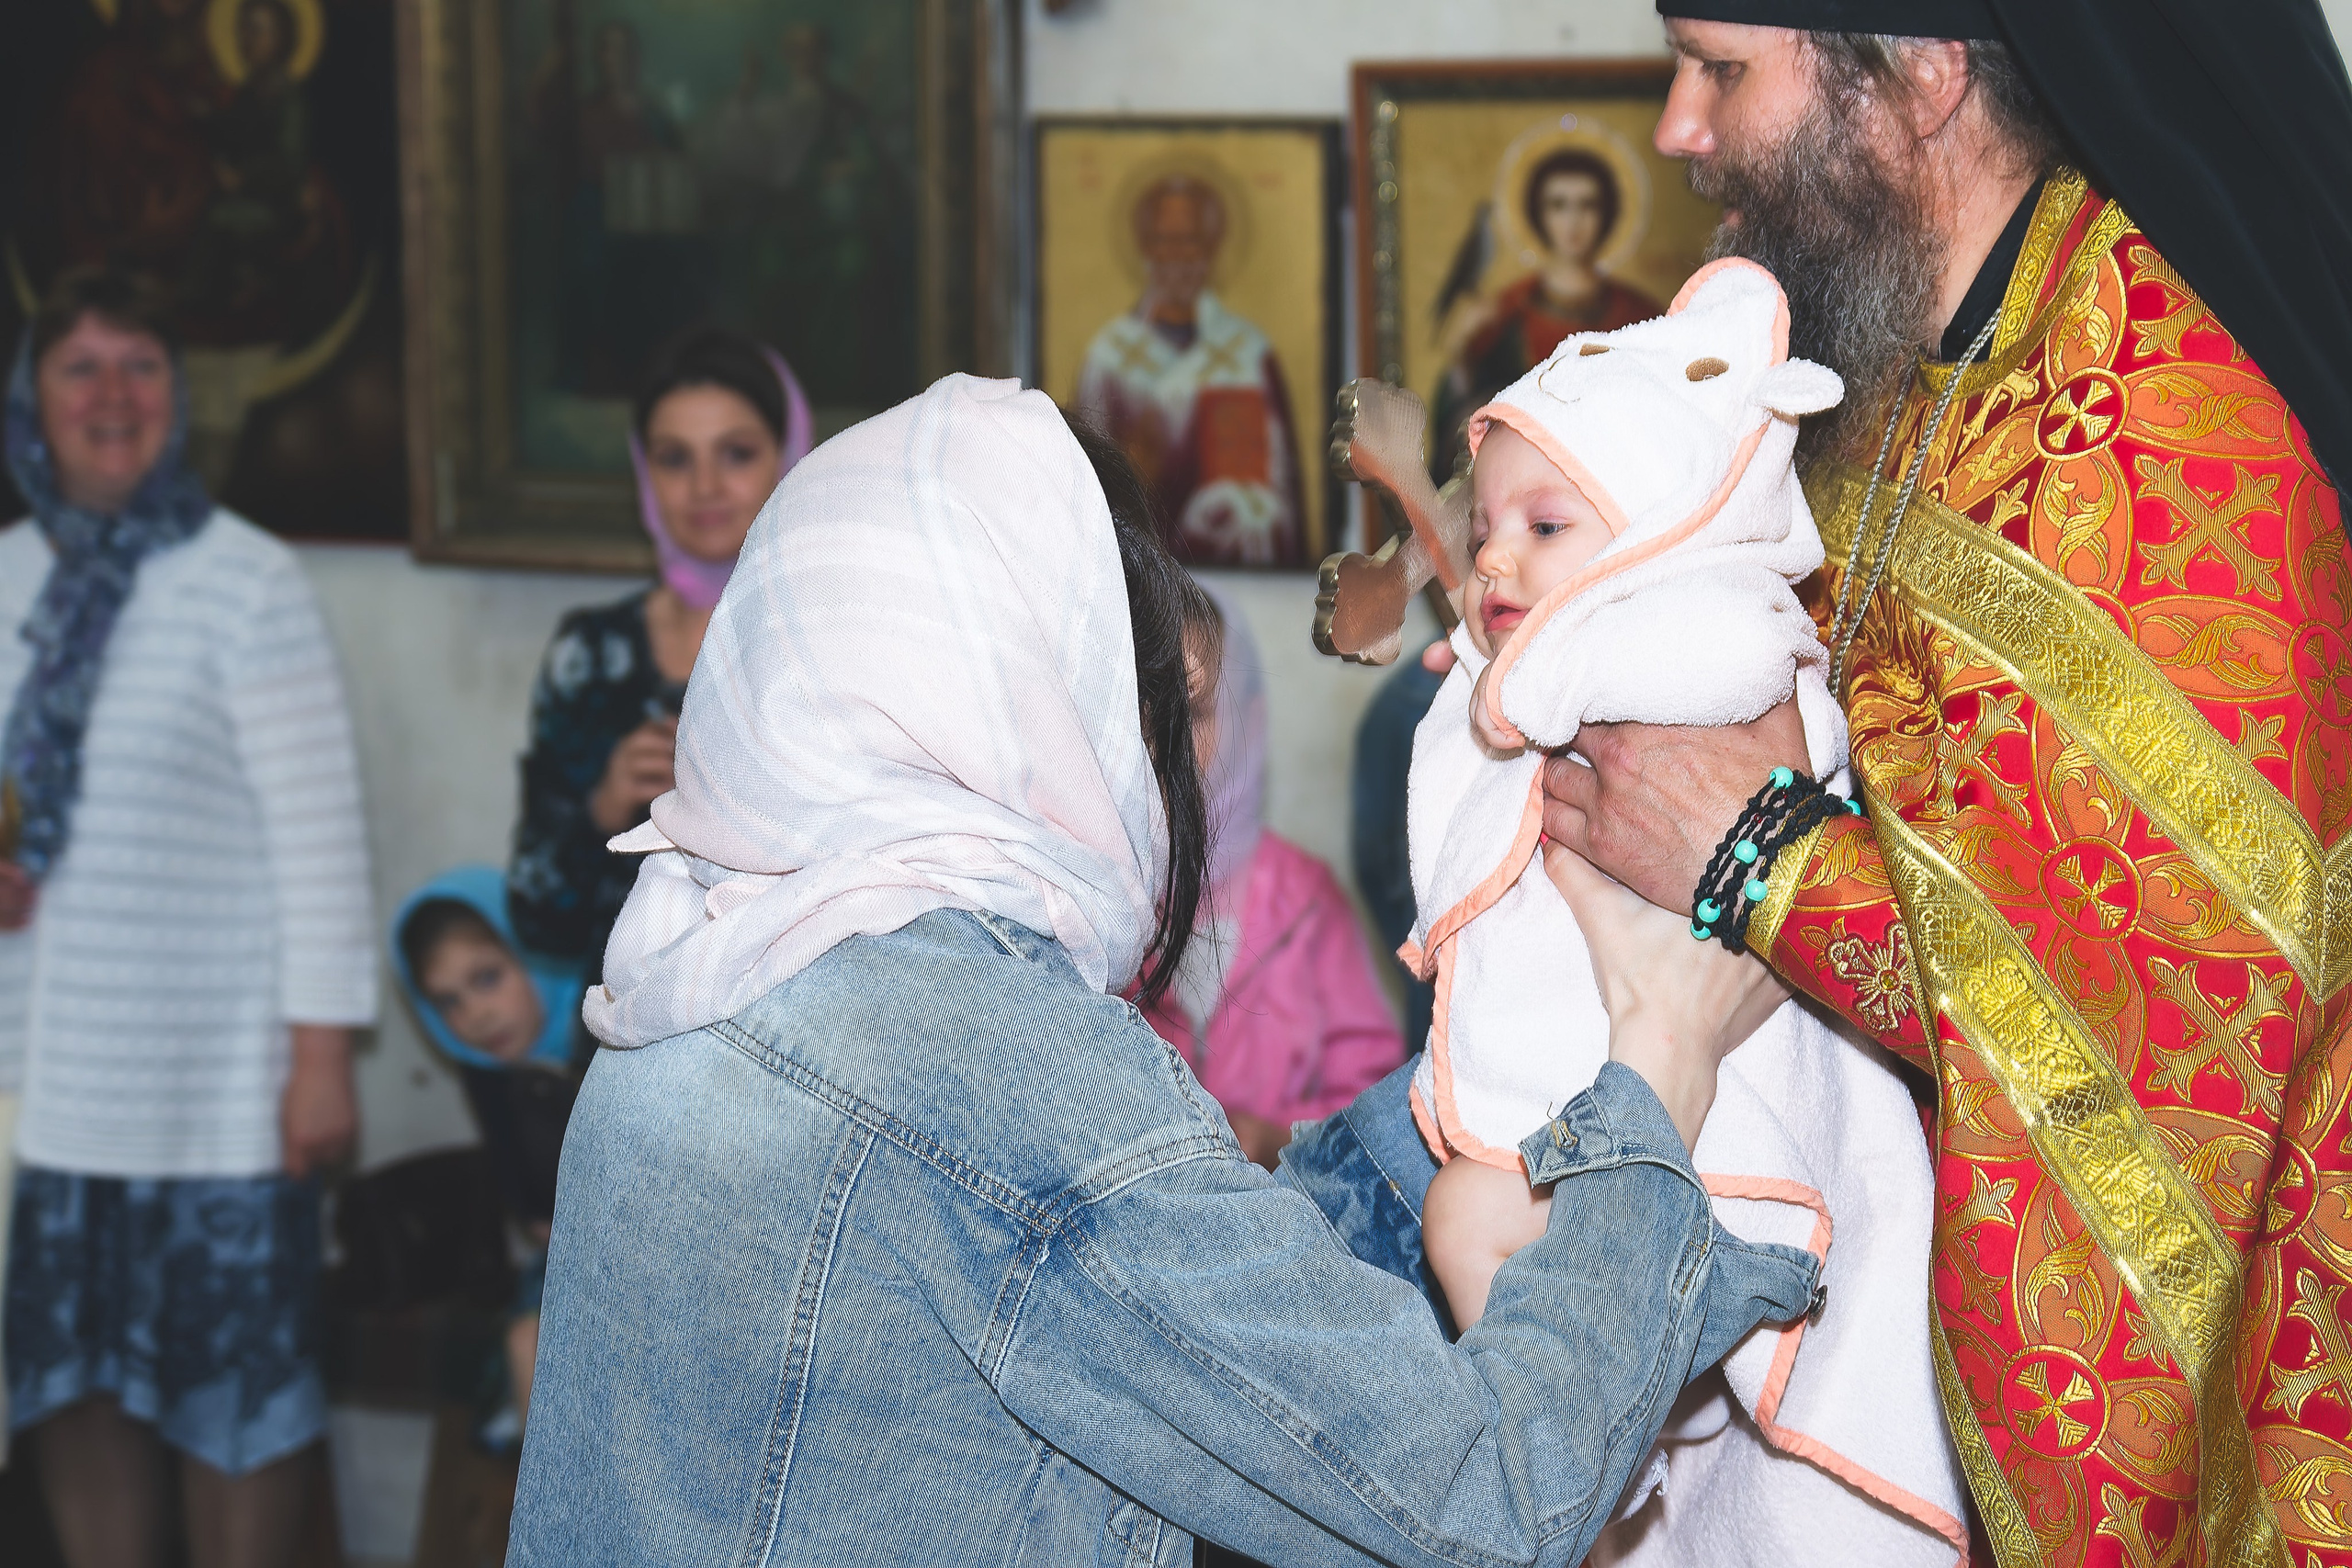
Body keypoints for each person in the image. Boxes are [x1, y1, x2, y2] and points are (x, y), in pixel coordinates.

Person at [503, 375, 1819, 1566]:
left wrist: (1481, 1084)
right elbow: (1485, 1506)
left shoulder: (704, 947)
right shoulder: (982, 1060)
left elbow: (1146, 1273)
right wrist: (1658, 1059)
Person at [1520, 4, 2352, 1557]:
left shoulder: (2156, 431)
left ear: (1922, 69)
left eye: (1719, 70)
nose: (1675, 132)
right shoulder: (1905, 363)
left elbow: (2164, 1025)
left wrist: (1756, 851)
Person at [1401, 261, 1960, 1565]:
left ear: (1670, 528)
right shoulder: (1562, 649)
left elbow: (1703, 665)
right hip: (1624, 1087)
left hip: (1735, 1099)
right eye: (1485, 528)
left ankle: (1593, 1444)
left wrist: (1522, 675)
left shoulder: (1721, 627)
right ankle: (1603, 1457)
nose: (1495, 555)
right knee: (1467, 1222)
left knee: (1473, 1223)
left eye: (1546, 526)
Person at [0, 266, 374, 1565]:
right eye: (78, 367)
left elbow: (322, 840)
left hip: (220, 1095)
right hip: (41, 1096)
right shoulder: (0, 579)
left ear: (181, 394)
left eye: (141, 364)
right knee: (76, 1392)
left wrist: (320, 1058)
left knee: (237, 1415)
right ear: (30, 401)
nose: (112, 395)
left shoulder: (245, 579)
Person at [508, 326, 810, 976]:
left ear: (790, 456)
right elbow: (537, 920)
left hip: (795, 1042)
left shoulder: (828, 644)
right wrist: (604, 807)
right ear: (643, 473)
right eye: (674, 458)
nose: (704, 485)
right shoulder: (591, 653)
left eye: (736, 453)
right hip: (615, 1045)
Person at [1136, 588, 1405, 1170]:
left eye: (1195, 712)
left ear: (1246, 723)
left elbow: (1379, 1102)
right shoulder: (1108, 906)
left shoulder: (1306, 904)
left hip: (1293, 1224)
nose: (1167, 746)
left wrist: (1283, 1136)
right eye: (1147, 717)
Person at [390, 867, 590, 1448]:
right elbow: (529, 1205)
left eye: (487, 978)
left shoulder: (614, 1031)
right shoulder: (488, 1077)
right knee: (527, 1343)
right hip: (565, 1256)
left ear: (533, 950)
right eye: (448, 1001)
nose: (474, 1016)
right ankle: (552, 1511)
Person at [1075, 175, 1308, 568]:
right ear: (1146, 247)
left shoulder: (1247, 356)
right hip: (1141, 574)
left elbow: (1279, 489)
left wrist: (1236, 505)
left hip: (1234, 568)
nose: (1178, 255)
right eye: (1166, 240)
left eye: (1192, 240)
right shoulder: (1109, 358)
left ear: (1212, 248)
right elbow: (1086, 479)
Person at [1430, 148, 1666, 487]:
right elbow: (1459, 421)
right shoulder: (1505, 312)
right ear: (1537, 215)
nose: (1573, 221)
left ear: (1608, 213)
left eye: (1588, 205)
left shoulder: (1641, 315)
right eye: (1558, 205)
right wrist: (1461, 353)